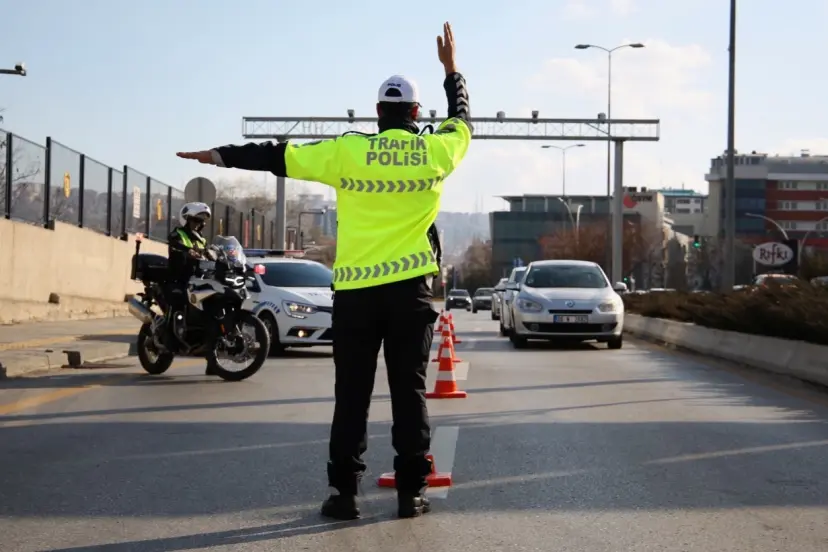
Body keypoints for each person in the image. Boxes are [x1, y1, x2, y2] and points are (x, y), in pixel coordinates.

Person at [176, 22, 472, 519]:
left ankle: (345, 494)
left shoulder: (347, 150)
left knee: (351, 396)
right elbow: (462, 119)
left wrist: (217, 156)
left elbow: (277, 156)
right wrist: (452, 69)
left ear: (377, 112)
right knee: (410, 393)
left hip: (356, 295)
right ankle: (411, 493)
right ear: (417, 114)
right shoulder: (436, 151)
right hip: (410, 294)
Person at [165, 202, 213, 373]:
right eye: (196, 220)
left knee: (210, 313)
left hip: (197, 281)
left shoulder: (202, 239)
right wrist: (187, 250)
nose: (199, 224)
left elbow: (208, 253)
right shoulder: (177, 234)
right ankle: (170, 340)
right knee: (178, 305)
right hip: (179, 279)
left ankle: (212, 361)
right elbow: (174, 242)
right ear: (186, 219)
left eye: (201, 222)